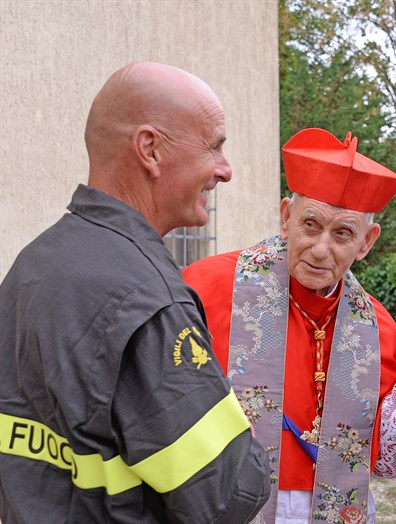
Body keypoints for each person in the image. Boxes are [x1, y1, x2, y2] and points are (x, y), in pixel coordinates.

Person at [182, 127, 396, 523]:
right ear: (286, 217)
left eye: (342, 233)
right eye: (310, 225)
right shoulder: (201, 289)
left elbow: (389, 462)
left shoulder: (377, 329)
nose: (321, 249)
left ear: (366, 242)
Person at [0, 62, 271, 523]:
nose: (224, 171)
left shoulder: (32, 265)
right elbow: (226, 497)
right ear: (150, 149)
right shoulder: (150, 298)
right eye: (214, 146)